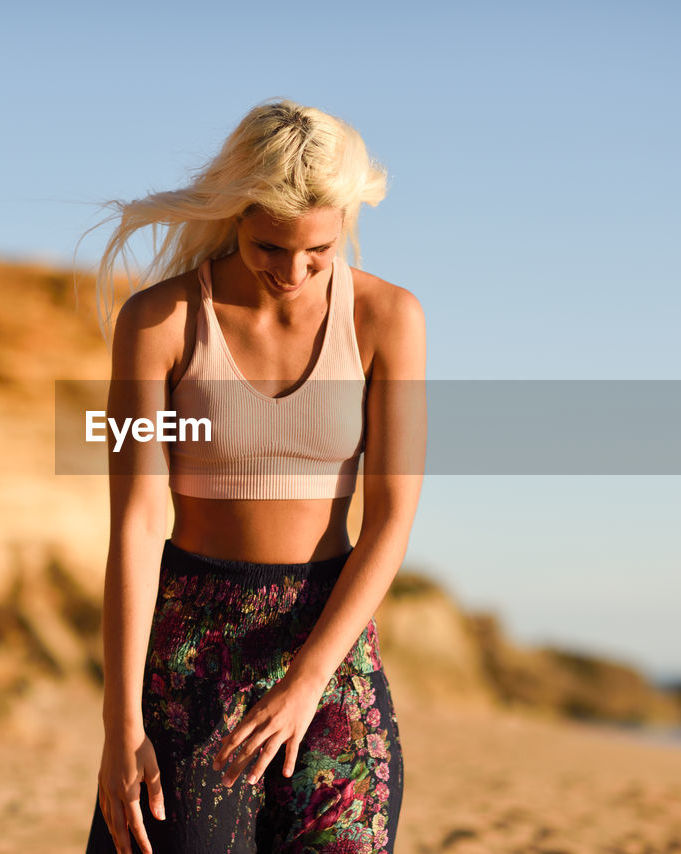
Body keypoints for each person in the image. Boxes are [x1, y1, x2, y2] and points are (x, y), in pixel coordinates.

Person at [84, 99, 426, 853]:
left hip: (329, 650)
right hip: (190, 650)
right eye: (271, 247)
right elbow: (139, 521)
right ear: (235, 213)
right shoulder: (158, 323)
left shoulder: (388, 319)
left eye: (319, 251)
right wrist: (121, 725)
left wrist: (308, 682)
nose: (293, 273)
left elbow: (392, 517)